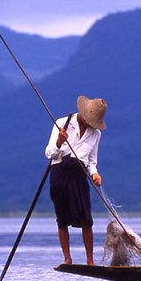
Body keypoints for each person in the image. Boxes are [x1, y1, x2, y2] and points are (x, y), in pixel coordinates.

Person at [45, 95, 107, 266]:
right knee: (62, 217)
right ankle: (67, 258)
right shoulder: (62, 123)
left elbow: (92, 160)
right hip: (60, 173)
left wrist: (95, 174)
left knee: (86, 218)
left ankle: (90, 261)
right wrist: (59, 142)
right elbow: (49, 153)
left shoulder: (96, 133)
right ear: (83, 114)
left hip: (79, 174)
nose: (91, 125)